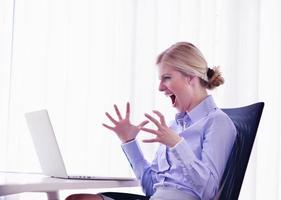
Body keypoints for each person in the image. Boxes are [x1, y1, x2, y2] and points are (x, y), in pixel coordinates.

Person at [65, 42, 237, 200]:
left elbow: (209, 192)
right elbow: (151, 189)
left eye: (167, 78)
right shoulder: (174, 126)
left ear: (190, 77)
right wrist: (129, 141)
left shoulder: (218, 122)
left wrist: (178, 145)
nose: (160, 87)